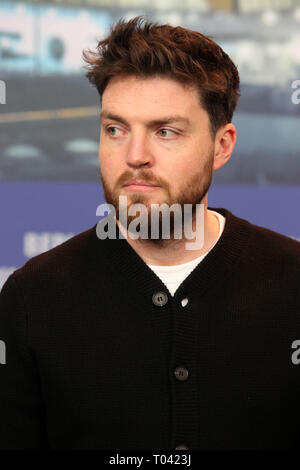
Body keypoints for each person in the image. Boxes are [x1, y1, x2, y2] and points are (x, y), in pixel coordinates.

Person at [0, 16, 299, 450]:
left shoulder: (291, 282)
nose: (134, 156)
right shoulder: (31, 297)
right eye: (115, 129)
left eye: (165, 131)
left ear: (222, 145)